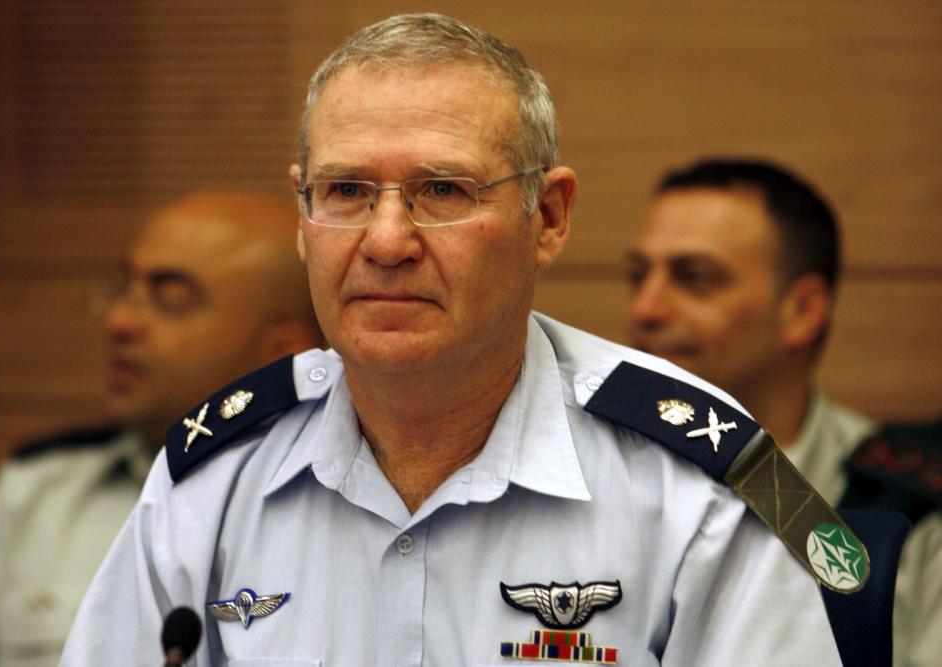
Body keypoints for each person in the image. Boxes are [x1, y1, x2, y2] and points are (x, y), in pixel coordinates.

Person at [62, 15, 846, 665]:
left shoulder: (696, 480)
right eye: (346, 191)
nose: (386, 240)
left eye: (442, 190)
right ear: (303, 217)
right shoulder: (213, 474)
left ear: (549, 217)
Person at [0, 190, 321, 666]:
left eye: (170, 301)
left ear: (280, 353)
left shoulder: (334, 505)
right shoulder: (40, 490)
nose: (119, 322)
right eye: (124, 290)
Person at [624, 157, 940, 667]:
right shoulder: (592, 474)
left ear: (802, 311)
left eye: (694, 279)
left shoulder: (910, 505)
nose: (645, 309)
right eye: (639, 276)